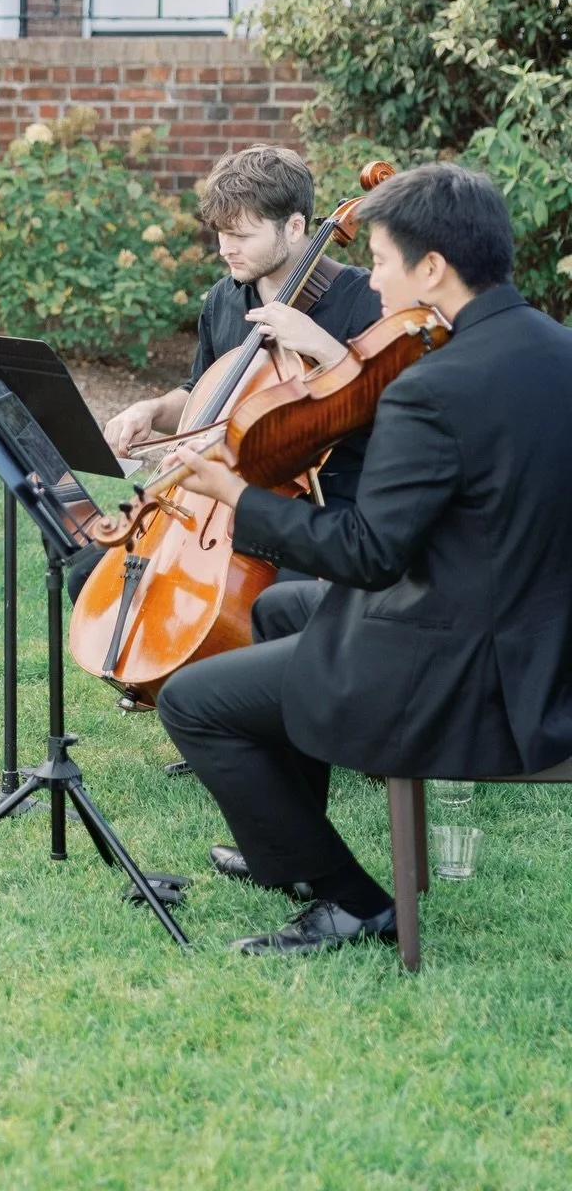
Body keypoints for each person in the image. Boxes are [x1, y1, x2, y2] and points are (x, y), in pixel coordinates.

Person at [157, 164, 572, 955]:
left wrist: (240, 498)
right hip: (536, 639)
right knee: (280, 608)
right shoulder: (558, 350)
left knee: (193, 701)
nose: (371, 283)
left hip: (467, 669)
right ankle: (290, 832)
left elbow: (369, 554)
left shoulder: (430, 386)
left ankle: (350, 904)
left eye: (379, 262)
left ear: (432, 269)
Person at [73, 145, 383, 611]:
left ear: (295, 227)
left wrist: (321, 345)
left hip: (320, 506)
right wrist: (154, 409)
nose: (225, 249)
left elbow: (391, 406)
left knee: (265, 602)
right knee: (91, 575)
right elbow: (204, 394)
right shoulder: (225, 297)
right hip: (219, 501)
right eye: (220, 233)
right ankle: (155, 686)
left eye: (241, 235)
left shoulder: (364, 299)